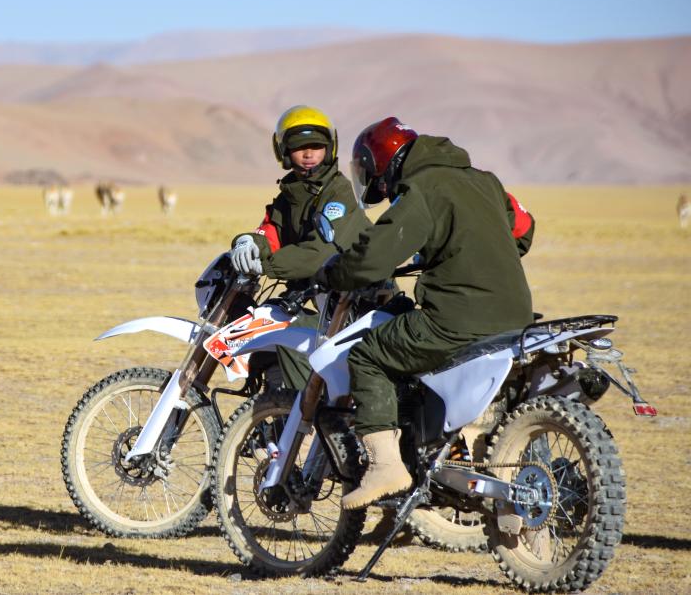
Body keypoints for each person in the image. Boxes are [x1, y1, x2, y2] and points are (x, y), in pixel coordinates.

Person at [320, 116, 536, 509]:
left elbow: (375, 256)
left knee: (369, 354)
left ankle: (386, 467)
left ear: (382, 162)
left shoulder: (421, 188)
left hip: (458, 319)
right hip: (517, 316)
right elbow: (524, 231)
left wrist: (333, 273)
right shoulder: (485, 181)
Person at [230, 105, 371, 390]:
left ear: (329, 148)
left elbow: (318, 253)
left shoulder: (338, 192)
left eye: (316, 146)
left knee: (289, 335)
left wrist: (265, 265)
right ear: (284, 151)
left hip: (355, 307)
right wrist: (247, 242)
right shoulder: (291, 195)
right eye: (299, 147)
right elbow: (271, 232)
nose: (309, 154)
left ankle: (303, 414)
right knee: (267, 320)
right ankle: (275, 404)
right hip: (323, 301)